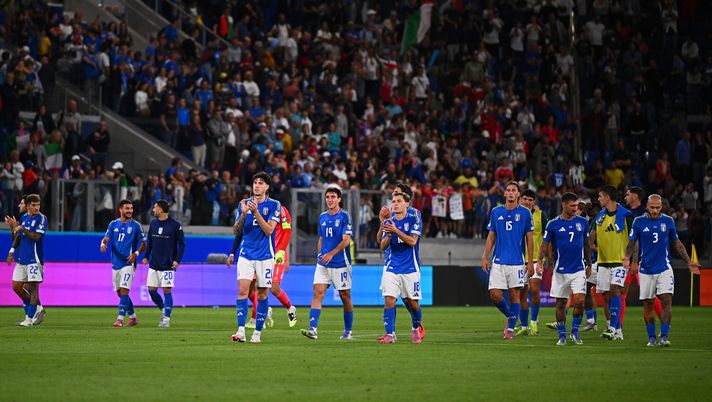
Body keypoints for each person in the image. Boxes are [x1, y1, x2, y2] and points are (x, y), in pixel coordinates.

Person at [624, 194, 700, 347]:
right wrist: (627, 258)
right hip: (645, 269)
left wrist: (688, 262)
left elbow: (677, 243)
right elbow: (632, 243)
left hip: (664, 268)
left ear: (661, 207)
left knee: (666, 300)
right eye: (652, 207)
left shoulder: (668, 221)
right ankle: (651, 338)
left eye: (658, 207)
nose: (655, 210)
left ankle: (664, 336)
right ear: (647, 206)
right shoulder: (639, 222)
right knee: (648, 303)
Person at [230, 172, 281, 344]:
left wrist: (256, 213)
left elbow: (269, 231)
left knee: (262, 294)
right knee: (242, 291)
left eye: (261, 183)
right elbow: (236, 231)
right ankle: (241, 330)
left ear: (267, 187)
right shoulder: (243, 204)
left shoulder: (274, 205)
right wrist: (244, 214)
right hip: (246, 255)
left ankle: (257, 333)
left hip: (265, 256)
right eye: (255, 183)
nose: (257, 185)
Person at [481, 181, 534, 340]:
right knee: (495, 295)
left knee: (514, 295)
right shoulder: (496, 212)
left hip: (517, 262)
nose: (511, 193)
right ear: (504, 193)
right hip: (498, 261)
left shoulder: (525, 213)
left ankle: (510, 328)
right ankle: (511, 316)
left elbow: (529, 239)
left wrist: (530, 262)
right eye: (508, 190)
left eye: (514, 191)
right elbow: (491, 236)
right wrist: (485, 256)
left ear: (518, 194)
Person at [301, 186, 354, 340]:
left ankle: (348, 331)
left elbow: (346, 241)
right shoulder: (322, 217)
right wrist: (320, 254)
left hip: (341, 263)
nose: (330, 200)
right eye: (328, 197)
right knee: (318, 293)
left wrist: (331, 254)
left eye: (333, 197)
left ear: (339, 199)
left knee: (345, 296)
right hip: (323, 263)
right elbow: (321, 238)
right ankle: (313, 329)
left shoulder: (345, 216)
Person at [540, 193, 592, 345]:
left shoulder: (583, 223)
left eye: (577, 206)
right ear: (564, 205)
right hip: (560, 270)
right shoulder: (553, 224)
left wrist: (589, 263)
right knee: (561, 303)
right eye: (572, 206)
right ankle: (562, 335)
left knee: (580, 301)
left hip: (578, 269)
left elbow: (587, 244)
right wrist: (539, 262)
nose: (576, 209)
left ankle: (575, 332)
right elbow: (544, 245)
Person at [376, 182, 425, 340]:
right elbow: (382, 245)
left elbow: (412, 241)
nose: (394, 203)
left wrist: (395, 231)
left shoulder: (414, 216)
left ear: (406, 201)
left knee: (412, 303)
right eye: (393, 200)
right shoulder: (389, 220)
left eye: (398, 199)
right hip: (391, 265)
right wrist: (385, 229)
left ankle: (416, 325)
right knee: (389, 299)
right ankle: (390, 334)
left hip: (410, 267)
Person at [590, 185, 632, 340]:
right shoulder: (599, 217)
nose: (598, 199)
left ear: (607, 197)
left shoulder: (626, 215)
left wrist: (631, 260)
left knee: (615, 290)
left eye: (600, 196)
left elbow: (634, 239)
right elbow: (591, 239)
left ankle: (613, 328)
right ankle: (617, 331)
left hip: (620, 262)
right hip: (603, 263)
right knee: (607, 296)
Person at [100, 200, 146, 327]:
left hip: (128, 263)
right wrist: (103, 244)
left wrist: (136, 254)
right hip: (115, 263)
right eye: (127, 208)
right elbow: (106, 238)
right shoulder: (113, 224)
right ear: (120, 210)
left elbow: (144, 243)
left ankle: (119, 319)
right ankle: (133, 317)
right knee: (120, 292)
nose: (130, 211)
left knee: (125, 290)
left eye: (131, 208)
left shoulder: (136, 226)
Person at [622, 186, 663, 325]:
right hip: (627, 260)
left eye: (627, 195)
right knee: (622, 293)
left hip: (642, 262)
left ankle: (664, 323)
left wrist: (635, 261)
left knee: (650, 296)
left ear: (635, 196)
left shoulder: (645, 215)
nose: (625, 197)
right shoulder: (625, 213)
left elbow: (638, 239)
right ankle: (617, 327)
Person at [142, 199, 186, 328]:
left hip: (168, 265)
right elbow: (149, 242)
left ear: (161, 209)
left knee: (167, 291)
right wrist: (146, 256)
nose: (153, 210)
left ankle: (166, 318)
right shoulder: (153, 224)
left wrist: (177, 260)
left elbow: (182, 245)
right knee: (151, 290)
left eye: (155, 207)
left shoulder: (175, 226)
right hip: (154, 264)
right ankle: (163, 309)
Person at [7, 194, 47, 326]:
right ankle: (37, 308)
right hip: (22, 259)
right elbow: (19, 237)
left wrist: (22, 228)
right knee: (16, 287)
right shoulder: (24, 217)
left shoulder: (42, 219)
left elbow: (36, 237)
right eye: (34, 205)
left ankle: (29, 319)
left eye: (38, 205)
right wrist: (12, 251)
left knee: (34, 288)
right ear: (28, 206)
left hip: (34, 259)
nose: (36, 207)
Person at [515, 189, 547, 336]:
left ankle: (534, 321)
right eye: (525, 199)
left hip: (535, 260)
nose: (527, 202)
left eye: (530, 199)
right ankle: (524, 325)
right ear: (520, 200)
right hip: (518, 260)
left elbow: (547, 240)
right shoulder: (515, 214)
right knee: (521, 294)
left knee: (534, 289)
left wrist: (542, 260)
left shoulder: (541, 216)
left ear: (534, 202)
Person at [270, 204, 297, 327]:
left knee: (274, 288)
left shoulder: (281, 210)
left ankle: (290, 308)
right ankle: (264, 311)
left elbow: (286, 233)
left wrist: (284, 255)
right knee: (252, 287)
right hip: (261, 253)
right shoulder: (256, 209)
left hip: (278, 255)